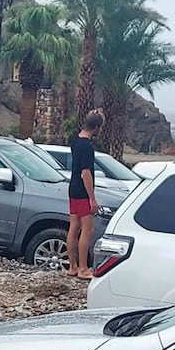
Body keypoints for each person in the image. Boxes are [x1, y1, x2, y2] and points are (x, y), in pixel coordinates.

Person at [67, 109, 104, 278]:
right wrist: (92, 198)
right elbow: (86, 172)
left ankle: (72, 266)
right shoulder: (87, 147)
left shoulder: (75, 141)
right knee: (87, 230)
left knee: (73, 228)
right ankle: (83, 268)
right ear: (97, 127)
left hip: (72, 189)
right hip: (82, 192)